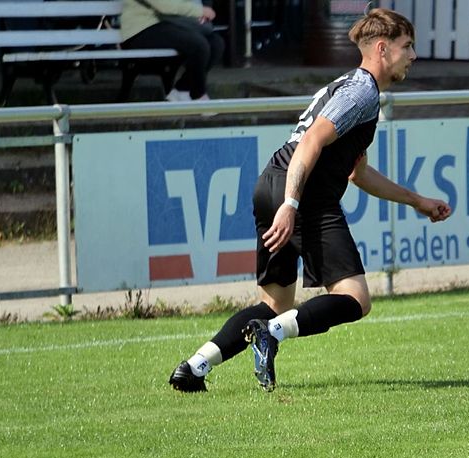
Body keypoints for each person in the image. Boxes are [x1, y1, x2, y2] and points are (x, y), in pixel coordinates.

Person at [168, 8, 452, 392]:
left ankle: (193, 368)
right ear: (383, 49)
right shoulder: (361, 91)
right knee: (355, 299)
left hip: (271, 183)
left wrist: (417, 201)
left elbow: (358, 173)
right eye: (408, 46)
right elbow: (312, 142)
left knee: (275, 303)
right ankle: (269, 333)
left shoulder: (349, 86)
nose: (413, 56)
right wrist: (292, 204)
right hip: (303, 196)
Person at [120, 0, 225, 101]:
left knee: (216, 43)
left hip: (170, 23)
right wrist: (200, 11)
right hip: (141, 30)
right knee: (198, 44)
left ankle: (182, 90)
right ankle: (198, 95)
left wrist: (201, 14)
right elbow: (163, 5)